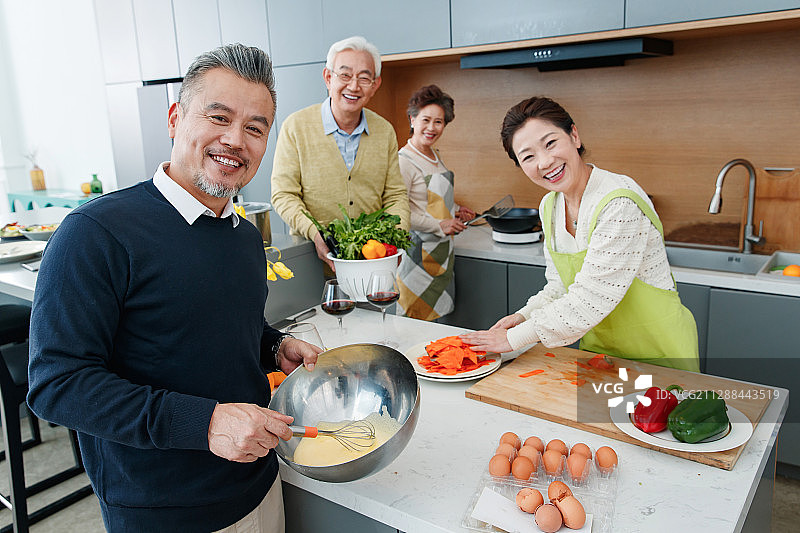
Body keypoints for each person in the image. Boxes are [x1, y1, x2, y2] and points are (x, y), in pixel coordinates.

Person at [27, 44, 322, 532]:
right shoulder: (96, 232)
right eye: (219, 117)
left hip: (260, 483)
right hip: (163, 511)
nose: (235, 140)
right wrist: (204, 423)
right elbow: (58, 383)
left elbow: (219, 323)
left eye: (255, 127)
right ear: (174, 118)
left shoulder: (244, 237)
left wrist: (272, 345)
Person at [460, 96, 699, 372]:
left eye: (550, 143)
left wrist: (513, 339)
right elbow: (560, 287)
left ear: (574, 135)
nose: (545, 161)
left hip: (659, 355)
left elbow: (591, 298)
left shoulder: (618, 201)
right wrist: (523, 316)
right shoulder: (550, 206)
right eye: (528, 156)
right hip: (601, 356)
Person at [270, 35, 410, 272]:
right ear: (328, 77)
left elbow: (396, 196)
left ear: (375, 85)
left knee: (376, 311)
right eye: (344, 75)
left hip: (372, 263)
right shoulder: (296, 126)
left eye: (364, 78)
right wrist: (316, 234)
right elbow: (283, 195)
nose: (354, 86)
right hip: (311, 263)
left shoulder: (384, 131)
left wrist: (394, 240)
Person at [396, 85, 474, 320]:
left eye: (438, 122)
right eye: (426, 120)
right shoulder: (404, 161)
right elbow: (399, 214)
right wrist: (440, 225)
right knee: (414, 324)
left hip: (441, 254)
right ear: (412, 119)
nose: (432, 128)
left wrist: (457, 210)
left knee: (437, 327)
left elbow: (430, 200)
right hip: (416, 256)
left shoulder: (434, 155)